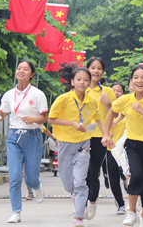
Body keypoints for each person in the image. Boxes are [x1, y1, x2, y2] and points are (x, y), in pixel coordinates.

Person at [102, 65, 143, 227]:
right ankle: (131, 212)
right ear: (131, 81)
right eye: (136, 77)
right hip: (132, 145)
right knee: (136, 176)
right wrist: (106, 133)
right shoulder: (125, 100)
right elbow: (111, 111)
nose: (139, 81)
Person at [0, 60, 48, 224]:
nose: (21, 71)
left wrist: (34, 119)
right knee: (14, 177)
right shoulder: (9, 94)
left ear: (32, 74)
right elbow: (2, 113)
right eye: (19, 68)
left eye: (25, 69)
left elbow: (44, 117)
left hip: (32, 136)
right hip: (14, 136)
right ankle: (16, 212)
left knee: (30, 179)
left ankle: (36, 185)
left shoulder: (37, 94)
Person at [48, 64, 106, 227]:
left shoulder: (92, 101)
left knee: (81, 182)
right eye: (79, 79)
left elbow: (97, 119)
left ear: (89, 83)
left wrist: (106, 134)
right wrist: (72, 123)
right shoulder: (63, 99)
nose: (82, 82)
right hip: (65, 145)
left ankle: (79, 217)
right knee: (69, 185)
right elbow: (51, 119)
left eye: (86, 80)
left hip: (83, 144)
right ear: (72, 82)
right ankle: (75, 195)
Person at [84, 57, 117, 220]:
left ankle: (91, 201)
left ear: (103, 72)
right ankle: (81, 202)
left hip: (100, 136)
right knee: (81, 172)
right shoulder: (80, 89)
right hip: (81, 136)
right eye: (92, 68)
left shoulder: (107, 92)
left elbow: (117, 113)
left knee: (93, 171)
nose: (95, 71)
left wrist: (108, 103)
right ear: (87, 69)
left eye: (99, 68)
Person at [108, 82, 128, 214]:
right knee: (113, 176)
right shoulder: (107, 110)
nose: (116, 93)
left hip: (126, 148)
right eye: (113, 91)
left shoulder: (128, 107)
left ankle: (133, 197)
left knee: (126, 175)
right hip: (111, 148)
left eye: (119, 91)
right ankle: (120, 203)